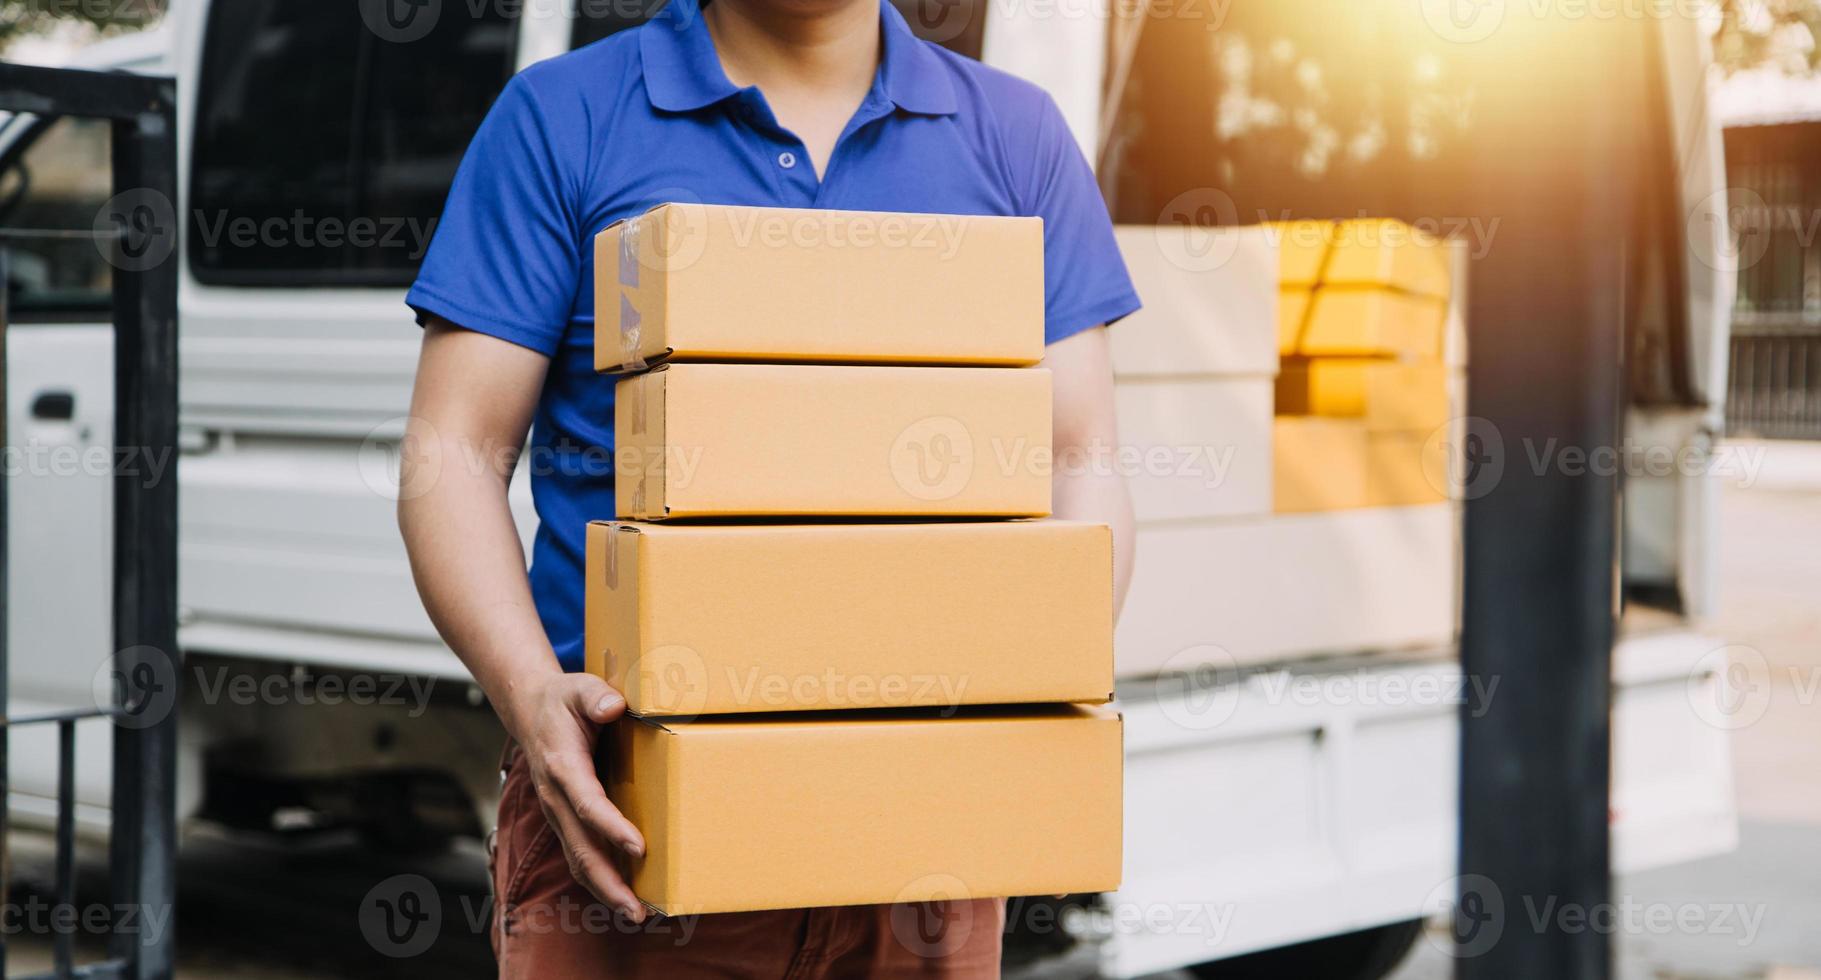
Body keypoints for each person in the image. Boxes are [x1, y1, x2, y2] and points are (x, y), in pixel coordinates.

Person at [398, 0, 1139, 973]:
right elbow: (453, 451)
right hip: (631, 821)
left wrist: (1037, 681)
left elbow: (1078, 455)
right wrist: (531, 695)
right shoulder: (562, 116)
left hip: (928, 831)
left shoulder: (1014, 134)